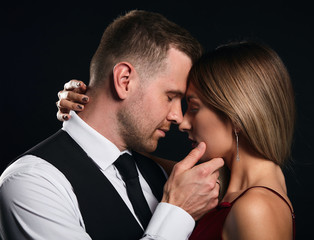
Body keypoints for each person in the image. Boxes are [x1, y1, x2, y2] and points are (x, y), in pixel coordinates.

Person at [0, 10, 224, 240]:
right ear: (124, 80)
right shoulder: (31, 183)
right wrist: (178, 213)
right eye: (170, 96)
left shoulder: (158, 173)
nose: (178, 116)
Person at [57, 41, 296, 239]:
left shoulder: (256, 208)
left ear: (236, 116)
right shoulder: (221, 187)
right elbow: (122, 159)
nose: (182, 122)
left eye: (193, 107)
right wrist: (92, 113)